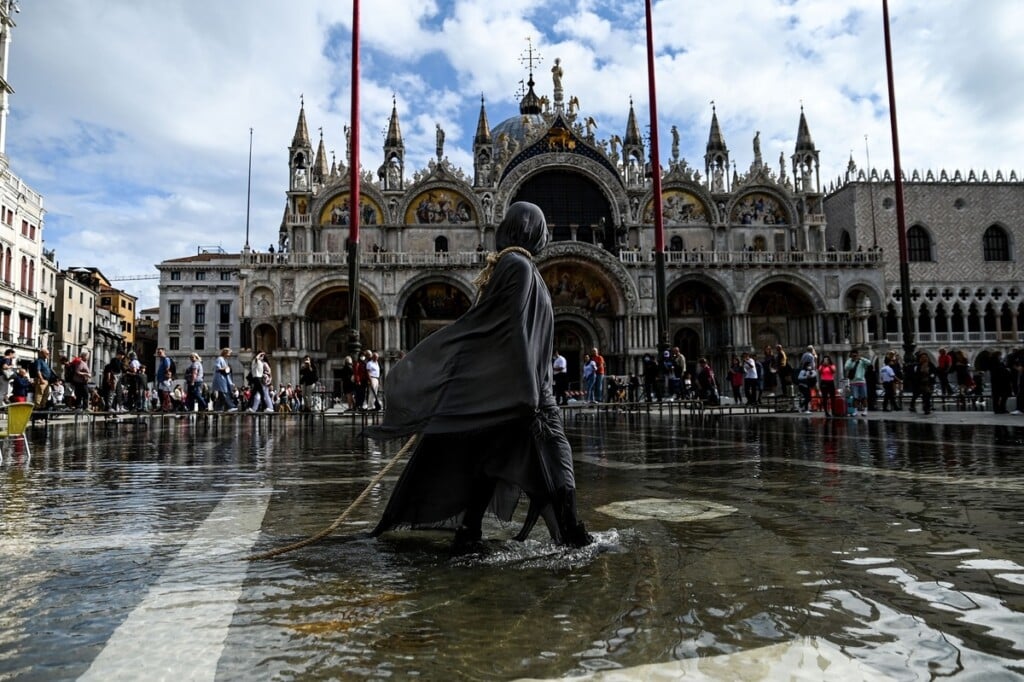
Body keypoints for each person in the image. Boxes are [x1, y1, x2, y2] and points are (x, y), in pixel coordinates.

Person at [368, 202, 592, 550]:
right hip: (523, 391)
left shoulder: (520, 267)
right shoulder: (517, 266)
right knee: (550, 457)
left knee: (492, 458)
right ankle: (571, 535)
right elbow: (506, 330)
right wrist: (525, 390)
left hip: (519, 389)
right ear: (530, 229)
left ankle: (471, 531)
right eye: (543, 228)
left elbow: (499, 328)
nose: (547, 235)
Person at [844, 350, 871, 417]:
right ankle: (855, 411)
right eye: (853, 355)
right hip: (853, 381)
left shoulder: (861, 361)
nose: (854, 356)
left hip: (862, 381)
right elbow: (846, 367)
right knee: (855, 397)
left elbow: (869, 363)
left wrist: (861, 358)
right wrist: (852, 360)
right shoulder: (849, 361)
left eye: (855, 355)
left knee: (864, 397)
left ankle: (865, 410)